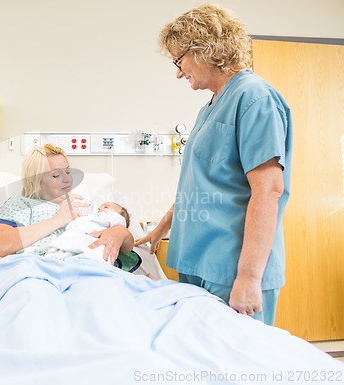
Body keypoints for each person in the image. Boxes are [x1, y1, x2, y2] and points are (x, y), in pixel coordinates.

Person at [135, 3, 292, 325]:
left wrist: (248, 279)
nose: (178, 72)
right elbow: (202, 180)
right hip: (197, 258)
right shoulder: (210, 107)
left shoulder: (254, 98)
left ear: (205, 50)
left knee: (237, 366)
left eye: (179, 60)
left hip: (230, 266)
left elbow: (268, 191)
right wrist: (163, 226)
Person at [0, 144, 134, 265]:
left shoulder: (85, 205)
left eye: (67, 171)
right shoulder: (21, 204)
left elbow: (126, 248)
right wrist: (57, 220)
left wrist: (121, 232)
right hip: (39, 268)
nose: (67, 179)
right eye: (56, 175)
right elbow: (0, 246)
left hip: (87, 267)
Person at [45, 201, 131, 261]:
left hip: (91, 246)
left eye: (106, 207)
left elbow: (120, 223)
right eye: (100, 207)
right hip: (72, 240)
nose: (99, 208)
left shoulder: (113, 218)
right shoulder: (90, 218)